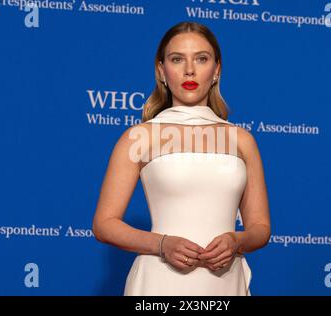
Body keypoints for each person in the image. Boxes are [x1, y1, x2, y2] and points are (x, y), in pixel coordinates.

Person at [92, 21, 271, 296]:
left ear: (217, 70)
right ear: (162, 71)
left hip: (224, 284)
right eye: (177, 59)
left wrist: (237, 240)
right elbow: (104, 224)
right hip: (158, 284)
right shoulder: (139, 137)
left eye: (201, 58)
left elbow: (260, 228)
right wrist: (162, 245)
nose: (190, 70)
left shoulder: (242, 140)